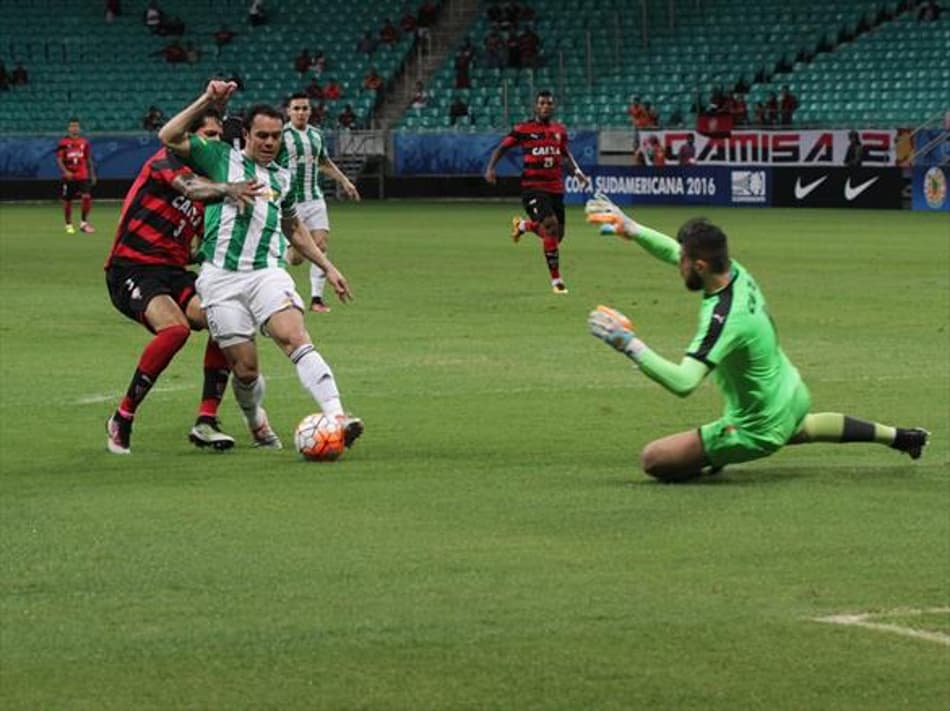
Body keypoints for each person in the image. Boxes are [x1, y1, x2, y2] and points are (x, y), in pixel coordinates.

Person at [583, 194, 929, 483]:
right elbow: (675, 251)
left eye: (684, 262)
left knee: (655, 459)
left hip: (758, 426)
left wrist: (627, 343)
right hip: (791, 393)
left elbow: (684, 382)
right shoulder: (734, 271)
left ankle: (715, 456)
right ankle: (902, 437)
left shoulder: (723, 319)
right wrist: (633, 229)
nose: (679, 265)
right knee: (800, 428)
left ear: (700, 266)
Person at [158, 80, 364, 450]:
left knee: (295, 336)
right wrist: (207, 98)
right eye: (262, 136)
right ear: (247, 135)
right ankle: (255, 420)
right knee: (246, 370)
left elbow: (293, 229)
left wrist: (328, 266)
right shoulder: (220, 157)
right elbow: (169, 135)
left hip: (266, 273)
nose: (270, 143)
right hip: (220, 279)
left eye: (275, 137)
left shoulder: (281, 178)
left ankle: (338, 416)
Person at [104, 109, 261, 454]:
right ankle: (123, 416)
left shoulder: (211, 186)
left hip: (172, 272)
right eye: (206, 133)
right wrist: (229, 188)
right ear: (189, 137)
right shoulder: (165, 161)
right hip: (131, 268)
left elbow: (199, 247)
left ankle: (206, 421)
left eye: (218, 135)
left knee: (223, 320)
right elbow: (189, 188)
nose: (213, 140)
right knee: (174, 330)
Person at [484, 90, 590, 294]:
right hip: (532, 188)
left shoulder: (559, 130)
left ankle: (524, 225)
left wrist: (578, 173)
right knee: (550, 226)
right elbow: (502, 148)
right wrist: (491, 167)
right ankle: (557, 281)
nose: (545, 106)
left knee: (557, 236)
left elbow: (565, 155)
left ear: (553, 106)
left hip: (555, 188)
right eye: (542, 103)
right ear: (535, 106)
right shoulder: (523, 129)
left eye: (549, 103)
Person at [279, 93, 361, 313]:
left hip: (314, 198)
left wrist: (344, 181)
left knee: (321, 245)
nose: (301, 112)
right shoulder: (281, 135)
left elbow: (324, 162)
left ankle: (317, 299)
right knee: (297, 258)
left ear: (310, 111)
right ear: (288, 111)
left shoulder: (316, 135)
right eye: (296, 108)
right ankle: (281, 272)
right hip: (290, 200)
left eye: (305, 108)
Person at [56, 117, 96, 234]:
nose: (74, 128)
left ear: (79, 128)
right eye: (72, 126)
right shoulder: (63, 143)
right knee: (68, 200)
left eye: (76, 126)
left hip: (82, 175)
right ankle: (68, 224)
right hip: (69, 176)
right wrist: (65, 172)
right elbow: (59, 159)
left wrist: (92, 174)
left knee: (86, 197)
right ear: (68, 128)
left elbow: (88, 158)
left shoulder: (84, 142)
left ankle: (83, 223)